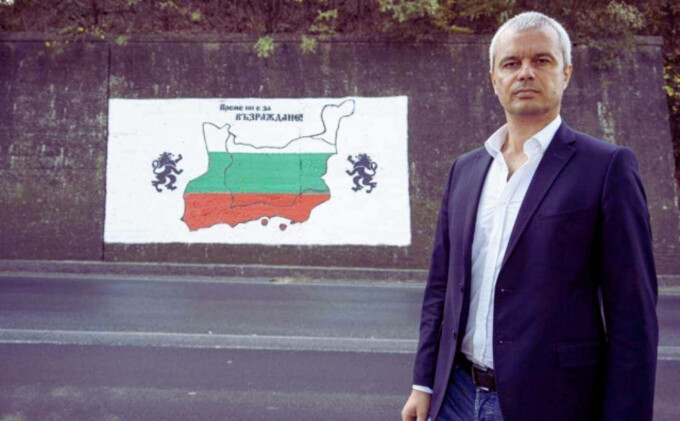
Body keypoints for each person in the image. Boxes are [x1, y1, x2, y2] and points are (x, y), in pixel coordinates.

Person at [401, 10, 658, 421]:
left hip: (553, 402)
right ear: (494, 80)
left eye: (541, 60)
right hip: (456, 396)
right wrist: (424, 383)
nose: (525, 72)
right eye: (511, 63)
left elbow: (634, 316)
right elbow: (441, 288)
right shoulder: (465, 170)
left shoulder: (606, 168)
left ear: (566, 73)